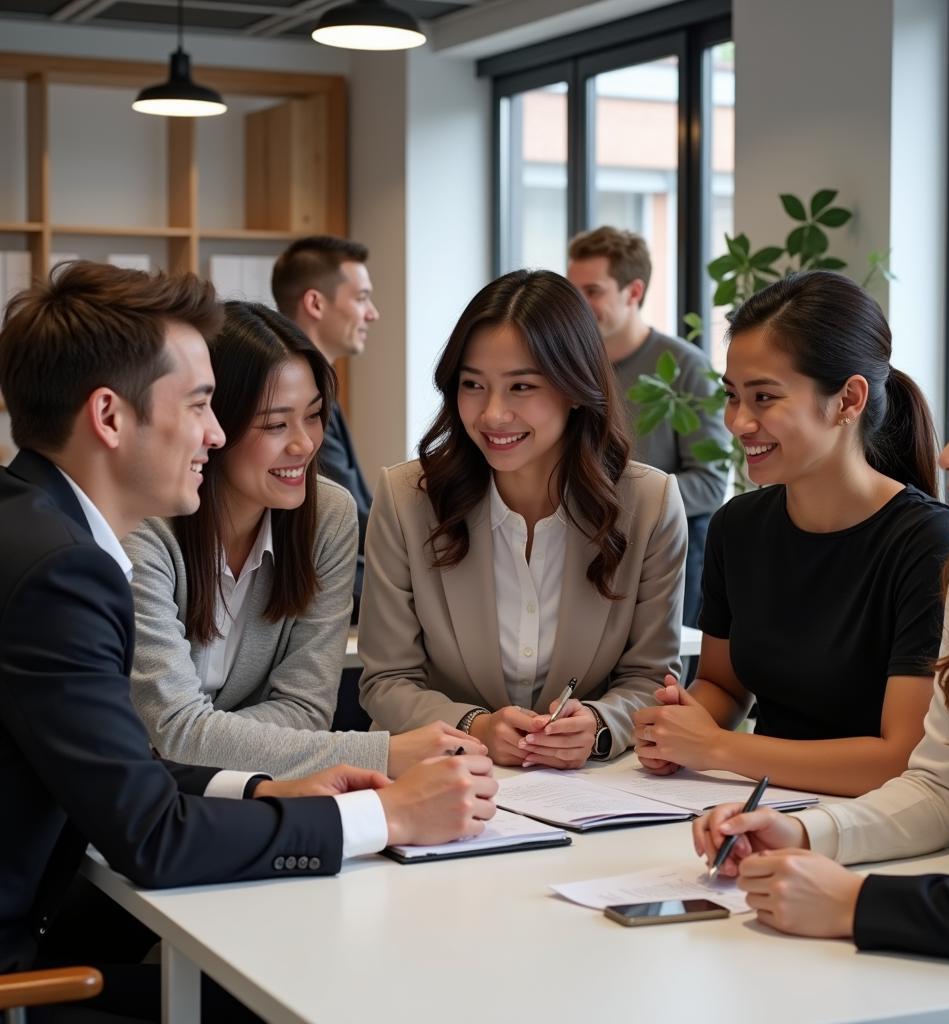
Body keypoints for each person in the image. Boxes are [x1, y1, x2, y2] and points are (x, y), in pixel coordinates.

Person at [0, 262, 496, 1015]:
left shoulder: (35, 525)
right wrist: (386, 815)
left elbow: (136, 771)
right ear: (109, 416)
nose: (213, 431)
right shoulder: (64, 572)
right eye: (201, 406)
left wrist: (266, 785)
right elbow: (155, 837)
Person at [692, 319, 949, 968]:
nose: (948, 454)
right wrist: (803, 831)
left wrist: (856, 904)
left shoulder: (928, 549)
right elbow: (939, 788)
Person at [125, 301, 484, 780]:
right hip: (132, 808)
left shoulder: (326, 516)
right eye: (275, 424)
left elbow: (306, 709)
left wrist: (202, 740)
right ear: (214, 426)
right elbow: (174, 731)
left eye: (314, 416)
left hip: (250, 792)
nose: (304, 444)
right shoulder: (144, 524)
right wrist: (378, 754)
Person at [632, 271, 949, 796]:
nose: (738, 422)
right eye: (733, 396)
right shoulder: (737, 526)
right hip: (758, 809)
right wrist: (677, 726)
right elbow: (722, 684)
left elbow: (900, 759)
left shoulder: (929, 543)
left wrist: (717, 747)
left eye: (764, 397)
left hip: (886, 837)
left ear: (849, 400)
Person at [358, 269, 687, 767]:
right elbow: (387, 680)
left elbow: (650, 676)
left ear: (576, 389)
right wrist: (476, 726)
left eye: (521, 387)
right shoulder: (407, 498)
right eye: (473, 384)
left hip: (589, 789)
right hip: (440, 774)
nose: (492, 414)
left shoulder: (650, 504)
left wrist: (598, 724)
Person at [567, 226, 730, 630]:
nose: (579, 305)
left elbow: (709, 485)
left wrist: (619, 502)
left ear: (634, 292)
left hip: (667, 553)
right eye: (574, 292)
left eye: (593, 291)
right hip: (582, 547)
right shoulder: (567, 368)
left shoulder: (685, 367)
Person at [271, 235, 376, 611]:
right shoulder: (297, 399)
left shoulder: (320, 387)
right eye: (362, 298)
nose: (372, 313)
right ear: (315, 302)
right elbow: (340, 517)